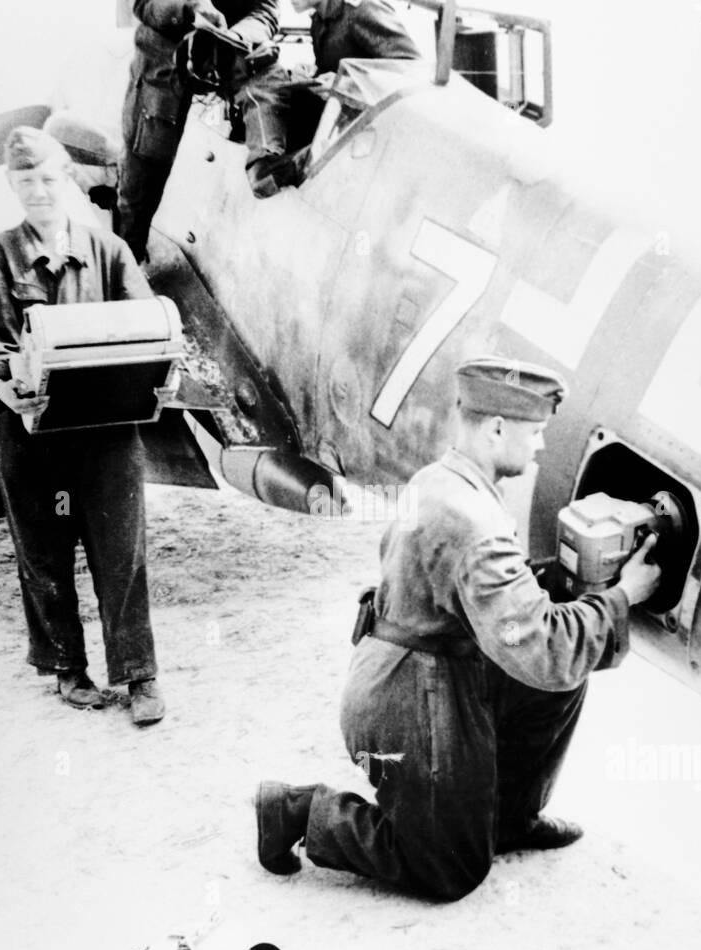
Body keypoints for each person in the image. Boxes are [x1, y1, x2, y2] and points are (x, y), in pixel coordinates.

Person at [256, 357, 662, 899]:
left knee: (559, 684)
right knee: (451, 868)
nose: (540, 446)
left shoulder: (441, 479)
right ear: (497, 428)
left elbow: (474, 603)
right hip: (409, 701)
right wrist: (623, 596)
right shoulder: (473, 522)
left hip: (415, 671)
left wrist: (560, 587)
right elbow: (543, 647)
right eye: (535, 432)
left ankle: (508, 819)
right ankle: (297, 810)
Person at [0, 127, 165, 726]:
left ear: (68, 179)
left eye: (49, 180)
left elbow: (147, 325)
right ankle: (67, 669)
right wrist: (5, 387)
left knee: (122, 553)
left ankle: (139, 676)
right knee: (44, 557)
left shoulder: (109, 252)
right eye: (26, 184)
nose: (40, 193)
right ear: (12, 185)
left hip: (108, 434)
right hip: (33, 438)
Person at [118, 0, 279, 259]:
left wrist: (243, 33)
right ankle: (127, 260)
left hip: (224, 63)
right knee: (145, 168)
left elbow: (268, 12)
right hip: (164, 63)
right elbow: (145, 1)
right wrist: (189, 10)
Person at [241, 0, 422, 196]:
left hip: (365, 126)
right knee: (269, 80)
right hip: (338, 114)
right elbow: (340, 65)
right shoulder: (321, 17)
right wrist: (318, 74)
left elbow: (411, 70)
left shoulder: (360, 9)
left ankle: (285, 168)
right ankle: (270, 162)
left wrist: (345, 85)